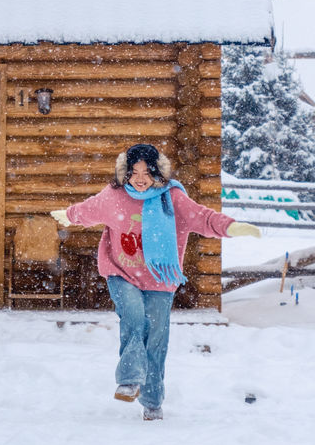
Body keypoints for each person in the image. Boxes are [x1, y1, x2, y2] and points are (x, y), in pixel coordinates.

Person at [50, 143, 260, 421]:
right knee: (134, 316)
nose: (139, 178)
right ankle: (129, 379)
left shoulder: (171, 198)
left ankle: (152, 400)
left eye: (146, 172)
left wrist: (231, 227)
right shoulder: (114, 196)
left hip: (159, 279)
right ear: (125, 173)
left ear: (157, 173)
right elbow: (88, 210)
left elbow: (203, 217)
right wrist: (70, 215)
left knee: (157, 337)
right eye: (133, 172)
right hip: (121, 273)